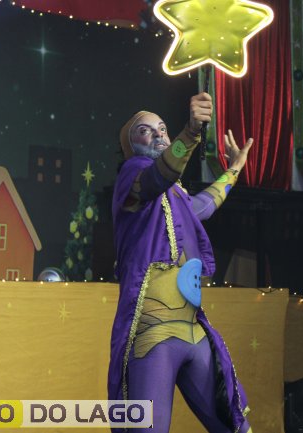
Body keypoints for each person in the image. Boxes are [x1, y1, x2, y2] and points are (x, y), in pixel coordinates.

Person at [108, 92, 254, 433]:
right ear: (129, 146)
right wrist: (189, 133)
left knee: (234, 423)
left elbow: (203, 206)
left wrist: (235, 169)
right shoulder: (132, 177)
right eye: (145, 131)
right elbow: (157, 177)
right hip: (153, 333)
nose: (158, 134)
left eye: (162, 128)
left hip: (193, 329)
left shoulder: (173, 194)